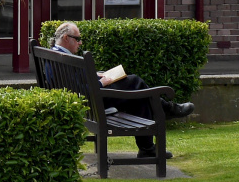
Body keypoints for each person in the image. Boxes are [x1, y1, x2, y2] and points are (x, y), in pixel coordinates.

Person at [50, 21, 195, 159]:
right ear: (66, 38)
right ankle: (166, 111)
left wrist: (95, 76)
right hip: (92, 102)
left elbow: (73, 83)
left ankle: (148, 147)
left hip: (89, 102)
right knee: (135, 82)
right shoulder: (64, 60)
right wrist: (100, 83)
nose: (80, 42)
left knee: (138, 96)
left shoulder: (55, 55)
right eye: (77, 39)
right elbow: (79, 91)